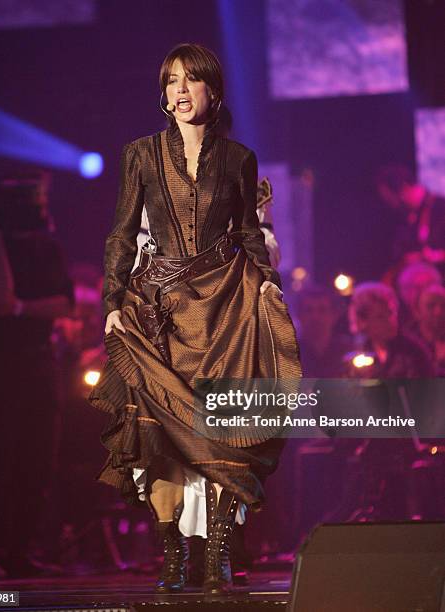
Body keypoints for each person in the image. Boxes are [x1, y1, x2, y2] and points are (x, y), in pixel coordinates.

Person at [89, 43, 301, 595]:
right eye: (172, 82)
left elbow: (249, 235)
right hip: (158, 310)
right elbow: (120, 231)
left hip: (224, 308)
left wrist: (270, 287)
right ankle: (172, 557)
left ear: (214, 91)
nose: (180, 91)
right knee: (158, 435)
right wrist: (112, 302)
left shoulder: (238, 158)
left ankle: (217, 559)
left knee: (225, 434)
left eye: (192, 81)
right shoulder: (139, 154)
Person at [0, 171, 75, 577]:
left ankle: (20, 551)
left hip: (41, 361)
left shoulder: (48, 248)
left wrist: (23, 309)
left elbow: (64, 304)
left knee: (38, 456)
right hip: (1, 362)